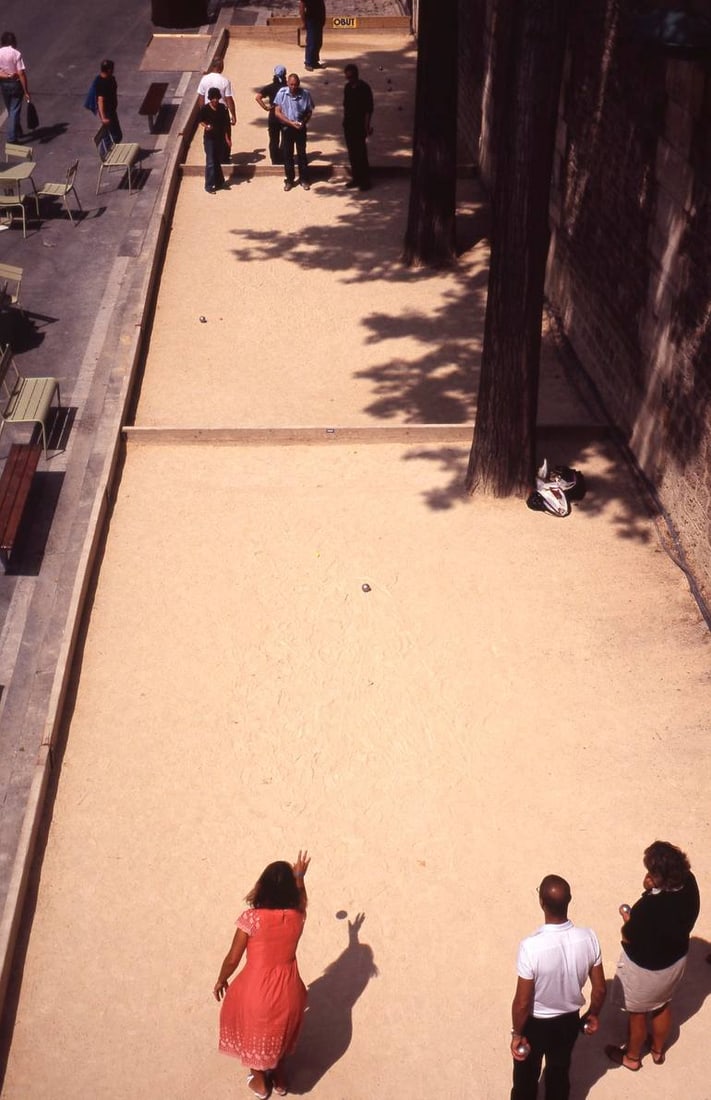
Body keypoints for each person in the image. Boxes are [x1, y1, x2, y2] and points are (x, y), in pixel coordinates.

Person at [214, 851, 310, 1099]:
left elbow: (232, 958)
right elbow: (301, 900)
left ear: (262, 886)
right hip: (290, 990)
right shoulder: (297, 917)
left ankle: (259, 1081)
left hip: (257, 990)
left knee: (256, 1034)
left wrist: (221, 979)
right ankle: (279, 1079)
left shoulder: (251, 919)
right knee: (279, 1034)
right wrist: (299, 878)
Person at [605, 840, 700, 1071]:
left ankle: (632, 1057)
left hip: (646, 970)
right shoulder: (690, 883)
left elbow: (629, 936)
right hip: (674, 962)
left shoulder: (650, 908)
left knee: (637, 1015)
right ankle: (658, 1051)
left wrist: (628, 917)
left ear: (660, 877)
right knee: (663, 1005)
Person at [511, 874, 606, 1100]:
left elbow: (523, 1002)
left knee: (525, 1079)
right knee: (559, 1072)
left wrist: (517, 1034)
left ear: (542, 903)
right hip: (568, 1022)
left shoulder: (530, 947)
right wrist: (593, 1014)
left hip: (536, 1023)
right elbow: (600, 988)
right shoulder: (589, 937)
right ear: (569, 900)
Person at [274, 74, 314, 192]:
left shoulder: (305, 94)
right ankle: (290, 180)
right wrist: (291, 123)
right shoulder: (282, 93)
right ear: (287, 83)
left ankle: (304, 179)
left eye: (295, 85)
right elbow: (277, 112)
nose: (293, 87)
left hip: (300, 128)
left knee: (302, 154)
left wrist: (303, 122)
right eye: (291, 84)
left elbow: (309, 111)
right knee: (288, 155)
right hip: (287, 128)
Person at [342, 64, 373, 191]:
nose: (350, 79)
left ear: (356, 75)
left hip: (359, 125)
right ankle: (356, 178)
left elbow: (368, 109)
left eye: (351, 77)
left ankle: (365, 181)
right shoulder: (347, 87)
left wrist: (367, 126)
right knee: (352, 153)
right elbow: (345, 106)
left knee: (361, 153)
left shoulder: (364, 88)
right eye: (348, 77)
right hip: (348, 124)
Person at [198, 87, 231, 194]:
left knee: (216, 160)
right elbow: (201, 120)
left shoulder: (223, 108)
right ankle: (209, 185)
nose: (215, 100)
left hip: (220, 138)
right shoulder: (205, 109)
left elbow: (226, 125)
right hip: (209, 138)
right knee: (211, 161)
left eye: (217, 98)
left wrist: (227, 139)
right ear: (210, 99)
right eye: (213, 98)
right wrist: (206, 126)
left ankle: (219, 181)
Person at [0, 32, 31, 143]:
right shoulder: (16, 53)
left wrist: (6, 75)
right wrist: (26, 91)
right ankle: (12, 138)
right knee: (14, 110)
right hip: (15, 84)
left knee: (10, 109)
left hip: (4, 84)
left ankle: (18, 130)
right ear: (13, 42)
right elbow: (21, 73)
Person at [255, 64, 287, 165]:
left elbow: (258, 97)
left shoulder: (270, 87)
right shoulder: (286, 88)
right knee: (285, 138)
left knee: (273, 139)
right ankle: (283, 157)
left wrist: (265, 107)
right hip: (285, 115)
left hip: (273, 115)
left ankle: (275, 159)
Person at [197, 60, 236, 125]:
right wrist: (233, 115)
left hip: (208, 112)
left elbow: (201, 98)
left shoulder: (204, 79)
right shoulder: (225, 81)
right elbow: (229, 99)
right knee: (224, 133)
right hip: (222, 112)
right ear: (222, 67)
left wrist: (203, 113)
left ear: (212, 66)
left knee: (210, 133)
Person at [95, 59, 122, 144]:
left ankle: (110, 152)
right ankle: (107, 155)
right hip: (107, 113)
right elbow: (100, 101)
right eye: (112, 69)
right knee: (114, 136)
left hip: (112, 111)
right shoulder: (102, 83)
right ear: (109, 70)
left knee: (115, 135)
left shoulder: (110, 79)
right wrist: (103, 117)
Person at [299, 0, 326, 71]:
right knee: (312, 42)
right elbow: (302, 7)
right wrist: (303, 22)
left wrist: (323, 19)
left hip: (319, 19)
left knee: (318, 42)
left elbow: (322, 5)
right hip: (311, 20)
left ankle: (315, 62)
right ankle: (308, 62)